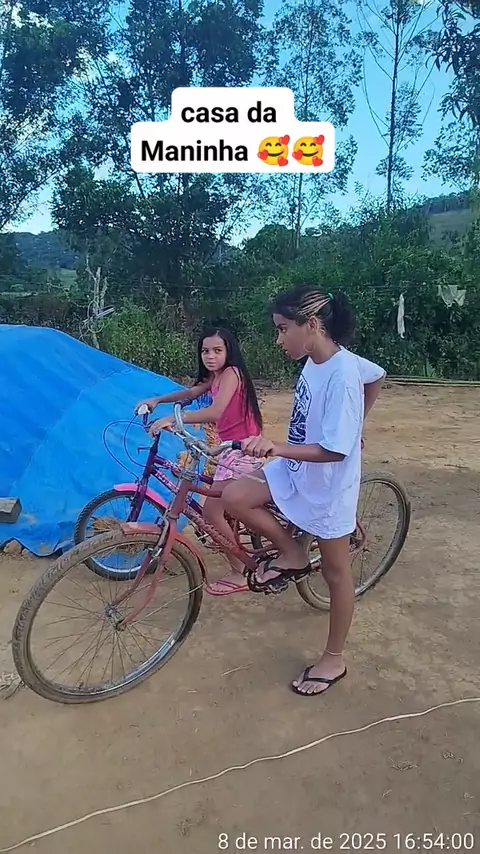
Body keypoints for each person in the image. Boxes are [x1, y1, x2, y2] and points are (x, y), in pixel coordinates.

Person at [221, 286, 385, 697]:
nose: (278, 339)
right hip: (296, 467)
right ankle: (292, 552)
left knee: (335, 572)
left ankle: (334, 657)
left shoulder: (343, 374)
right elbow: (378, 374)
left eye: (282, 329)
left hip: (329, 484)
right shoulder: (318, 360)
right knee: (235, 496)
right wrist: (355, 425)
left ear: (311, 325)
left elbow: (334, 451)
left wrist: (279, 447)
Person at [136, 326, 264, 596]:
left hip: (243, 450)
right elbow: (191, 393)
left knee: (211, 513)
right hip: (227, 449)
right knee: (215, 504)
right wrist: (158, 400)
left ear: (229, 351)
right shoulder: (216, 377)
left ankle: (240, 572)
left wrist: (174, 419)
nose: (210, 356)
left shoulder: (232, 373)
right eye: (205, 351)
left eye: (217, 350)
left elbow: (215, 412)